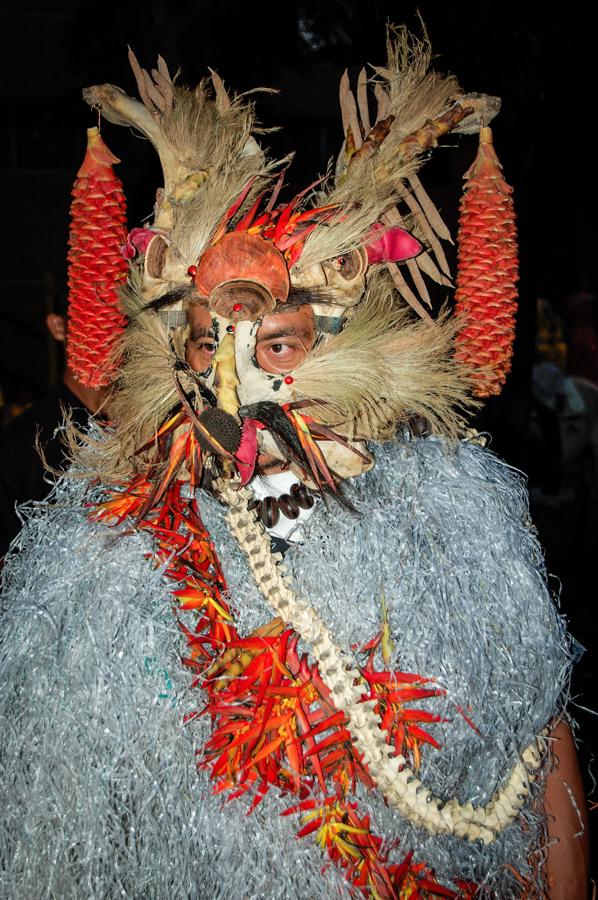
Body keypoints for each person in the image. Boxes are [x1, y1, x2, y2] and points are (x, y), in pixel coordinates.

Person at [0, 30, 589, 899]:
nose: (238, 379)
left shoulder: (453, 514)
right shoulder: (107, 556)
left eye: (276, 346)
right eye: (211, 346)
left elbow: (541, 745)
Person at [0, 306, 108, 558]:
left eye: (121, 317)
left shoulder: (153, 430)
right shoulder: (21, 444)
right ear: (59, 327)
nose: (108, 330)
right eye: (96, 314)